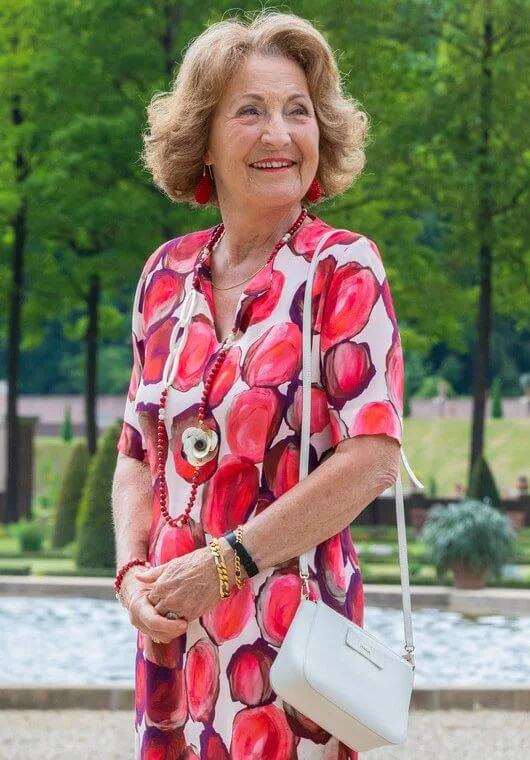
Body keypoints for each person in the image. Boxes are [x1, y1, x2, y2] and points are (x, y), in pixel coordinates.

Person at [112, 11, 404, 759]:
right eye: (251, 111)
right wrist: (132, 575)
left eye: (297, 112)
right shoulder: (164, 274)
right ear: (202, 137)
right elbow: (138, 451)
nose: (279, 134)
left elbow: (370, 458)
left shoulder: (345, 268)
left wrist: (226, 565)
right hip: (175, 637)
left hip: (293, 640)